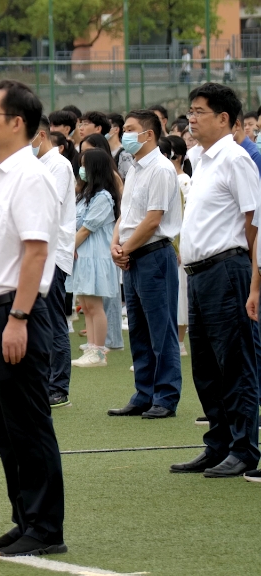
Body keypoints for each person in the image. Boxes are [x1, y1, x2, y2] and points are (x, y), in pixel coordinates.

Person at [0, 80, 66, 557]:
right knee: (8, 426)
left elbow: (35, 252)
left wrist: (19, 316)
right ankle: (25, 517)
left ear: (17, 123)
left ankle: (46, 527)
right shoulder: (2, 174)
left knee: (28, 421)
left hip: (17, 309)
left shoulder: (29, 175)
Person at [176, 83, 259, 478]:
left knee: (235, 364)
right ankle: (219, 443)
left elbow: (253, 223)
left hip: (228, 270)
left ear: (224, 118)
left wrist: (254, 281)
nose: (190, 118)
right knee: (206, 367)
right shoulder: (203, 159)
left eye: (199, 111)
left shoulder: (235, 159)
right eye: (190, 111)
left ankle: (244, 448)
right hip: (200, 274)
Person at [107, 110, 182, 418]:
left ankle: (165, 396)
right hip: (134, 255)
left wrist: (125, 248)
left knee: (161, 328)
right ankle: (144, 392)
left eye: (129, 129)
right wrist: (116, 243)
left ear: (149, 134)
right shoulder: (136, 169)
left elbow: (153, 220)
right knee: (138, 329)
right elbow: (127, 215)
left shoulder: (161, 169)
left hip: (154, 255)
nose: (124, 134)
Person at [33, 117, 77, 408]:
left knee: (53, 320)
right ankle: (45, 380)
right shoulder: (38, 165)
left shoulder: (58, 165)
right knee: (40, 320)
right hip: (38, 253)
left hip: (53, 253)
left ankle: (58, 386)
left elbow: (50, 207)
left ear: (40, 135)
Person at [70, 149, 120, 368]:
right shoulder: (85, 195)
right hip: (83, 255)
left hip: (95, 255)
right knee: (86, 306)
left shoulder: (103, 197)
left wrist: (69, 247)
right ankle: (91, 347)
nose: (81, 170)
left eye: (84, 165)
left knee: (94, 305)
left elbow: (86, 229)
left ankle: (99, 351)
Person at [158, 135, 192, 356]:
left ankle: (178, 342)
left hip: (177, 244)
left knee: (179, 295)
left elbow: (183, 217)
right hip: (170, 244)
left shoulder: (184, 181)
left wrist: (178, 246)